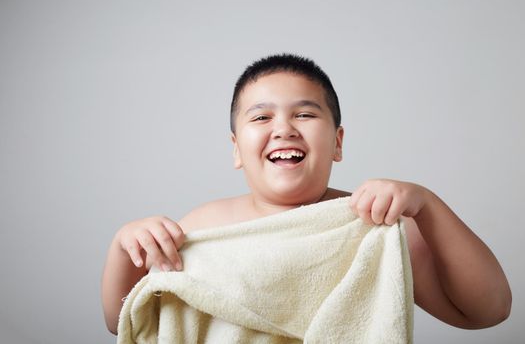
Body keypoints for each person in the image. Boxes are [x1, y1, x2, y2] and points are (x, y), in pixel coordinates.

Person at [101, 53, 512, 335]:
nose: (284, 128)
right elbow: (125, 321)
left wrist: (428, 206)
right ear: (236, 149)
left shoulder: (373, 223)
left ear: (337, 142)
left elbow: (487, 311)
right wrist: (125, 247)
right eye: (261, 116)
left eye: (304, 114)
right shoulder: (201, 227)